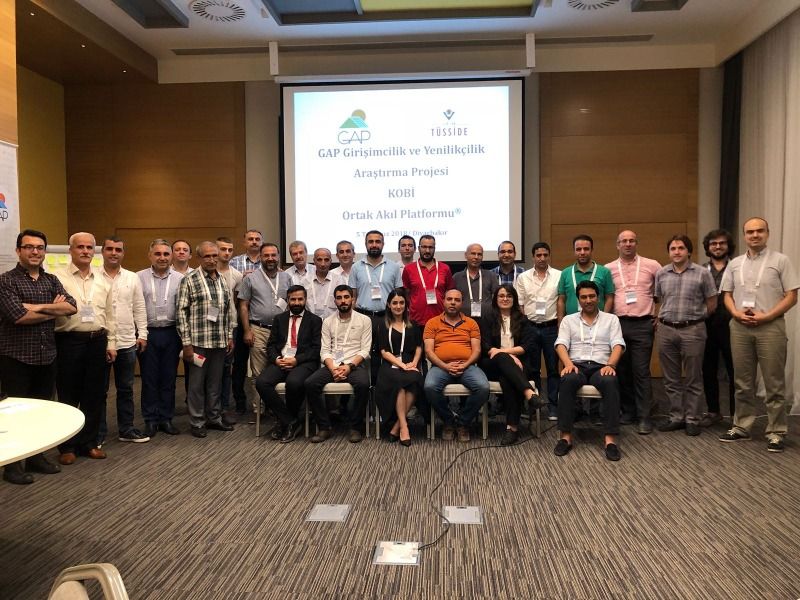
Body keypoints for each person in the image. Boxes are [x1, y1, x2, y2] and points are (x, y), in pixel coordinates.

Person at [0, 229, 76, 485]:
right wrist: (54, 309)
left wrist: (35, 307)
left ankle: (35, 457)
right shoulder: (6, 281)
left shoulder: (51, 280)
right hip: (16, 358)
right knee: (14, 414)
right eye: (29, 247)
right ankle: (12, 465)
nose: (35, 252)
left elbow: (71, 306)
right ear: (18, 250)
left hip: (47, 356)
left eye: (40, 247)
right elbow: (18, 316)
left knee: (41, 411)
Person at [719, 217, 799, 453]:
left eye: (759, 231)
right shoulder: (735, 264)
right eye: (750, 232)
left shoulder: (781, 261)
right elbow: (727, 294)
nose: (755, 235)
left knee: (774, 382)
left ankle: (776, 432)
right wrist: (736, 313)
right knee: (742, 381)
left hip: (770, 326)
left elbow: (792, 295)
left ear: (767, 233)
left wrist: (767, 316)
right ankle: (742, 426)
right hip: (740, 326)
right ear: (744, 235)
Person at [54, 232, 117, 464]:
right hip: (69, 341)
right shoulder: (56, 277)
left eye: (89, 247)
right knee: (68, 395)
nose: (85, 251)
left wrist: (112, 343)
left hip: (97, 341)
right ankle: (67, 446)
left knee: (94, 395)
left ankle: (89, 443)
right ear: (71, 250)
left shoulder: (102, 279)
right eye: (80, 247)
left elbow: (110, 314)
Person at [553, 281, 625, 461]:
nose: (588, 300)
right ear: (578, 299)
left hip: (601, 366)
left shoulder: (611, 319)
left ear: (598, 297)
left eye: (592, 296)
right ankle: (565, 437)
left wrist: (611, 365)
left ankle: (610, 440)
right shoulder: (568, 320)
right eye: (584, 297)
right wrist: (567, 364)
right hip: (576, 364)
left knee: (610, 381)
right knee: (568, 380)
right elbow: (561, 344)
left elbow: (618, 344)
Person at [654, 235, 717, 437]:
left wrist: (697, 317)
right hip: (666, 329)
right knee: (670, 378)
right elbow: (659, 299)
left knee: (693, 377)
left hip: (693, 330)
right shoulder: (662, 273)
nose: (677, 252)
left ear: (689, 251)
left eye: (681, 248)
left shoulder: (702, 273)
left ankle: (692, 419)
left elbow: (712, 302)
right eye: (673, 248)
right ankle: (676, 417)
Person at [177, 241, 235, 438]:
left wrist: (229, 336)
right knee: (196, 385)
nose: (211, 259)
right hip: (198, 343)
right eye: (207, 256)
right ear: (199, 258)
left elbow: (227, 311)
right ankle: (197, 421)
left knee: (214, 384)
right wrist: (186, 344)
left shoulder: (222, 280)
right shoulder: (189, 280)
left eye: (214, 256)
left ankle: (214, 417)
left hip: (218, 342)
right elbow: (181, 314)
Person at [605, 230, 661, 435]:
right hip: (618, 324)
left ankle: (644, 416)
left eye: (631, 241)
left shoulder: (652, 265)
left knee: (641, 371)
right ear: (617, 245)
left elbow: (664, 291)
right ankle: (628, 411)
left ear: (636, 243)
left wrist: (660, 314)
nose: (627, 244)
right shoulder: (608, 268)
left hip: (643, 324)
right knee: (622, 370)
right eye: (624, 241)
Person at [305, 285, 372, 443]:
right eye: (339, 298)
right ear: (334, 301)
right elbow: (324, 350)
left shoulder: (364, 320)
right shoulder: (328, 321)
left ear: (352, 299)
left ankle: (355, 427)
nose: (343, 301)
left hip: (354, 364)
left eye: (346, 297)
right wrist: (333, 368)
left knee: (363, 384)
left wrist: (349, 367)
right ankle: (324, 427)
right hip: (333, 365)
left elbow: (365, 350)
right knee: (310, 383)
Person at [255, 285, 322, 443]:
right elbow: (271, 345)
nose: (297, 302)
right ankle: (290, 421)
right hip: (281, 360)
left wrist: (296, 360)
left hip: (304, 362)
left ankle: (285, 422)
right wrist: (277, 359)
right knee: (262, 382)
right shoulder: (279, 319)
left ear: (305, 300)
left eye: (300, 299)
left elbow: (316, 349)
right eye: (293, 299)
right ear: (287, 300)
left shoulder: (315, 320)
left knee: (294, 382)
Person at [99, 236, 149, 445]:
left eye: (118, 249)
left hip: (127, 341)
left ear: (123, 253)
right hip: (100, 342)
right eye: (110, 249)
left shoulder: (132, 277)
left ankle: (126, 429)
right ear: (102, 251)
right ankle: (98, 434)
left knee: (126, 389)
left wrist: (143, 333)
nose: (114, 253)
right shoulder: (93, 276)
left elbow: (139, 307)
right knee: (99, 391)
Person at [424, 289, 489, 442]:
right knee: (429, 387)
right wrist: (445, 366)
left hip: (467, 366)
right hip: (440, 367)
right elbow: (429, 351)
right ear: (443, 301)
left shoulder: (471, 323)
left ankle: (462, 423)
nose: (453, 302)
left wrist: (465, 365)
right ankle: (448, 421)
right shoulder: (432, 323)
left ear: (462, 303)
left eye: (457, 300)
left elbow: (477, 350)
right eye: (449, 299)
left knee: (483, 387)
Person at [479, 285, 538, 445]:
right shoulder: (488, 318)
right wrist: (507, 356)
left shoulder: (523, 320)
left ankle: (512, 429)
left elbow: (526, 346)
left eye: (509, 296)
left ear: (514, 299)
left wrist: (506, 353)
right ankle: (529, 393)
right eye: (501, 296)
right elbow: (485, 346)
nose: (505, 299)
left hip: (517, 364)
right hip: (491, 364)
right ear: (495, 299)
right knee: (503, 360)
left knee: (508, 380)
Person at [137, 239, 184, 437]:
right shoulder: (138, 277)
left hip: (172, 333)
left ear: (171, 256)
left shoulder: (181, 278)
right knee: (149, 378)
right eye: (158, 254)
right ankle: (150, 419)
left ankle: (166, 418)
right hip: (148, 333)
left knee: (169, 377)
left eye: (166, 254)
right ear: (150, 256)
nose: (162, 257)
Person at [238, 243, 292, 414]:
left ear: (278, 257)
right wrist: (247, 330)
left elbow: (291, 304)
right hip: (259, 329)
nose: (270, 258)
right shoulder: (250, 279)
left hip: (282, 331)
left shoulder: (286, 278)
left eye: (273, 255)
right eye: (266, 255)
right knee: (258, 372)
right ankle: (259, 409)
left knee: (281, 369)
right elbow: (243, 305)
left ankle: (278, 408)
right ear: (260, 257)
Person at [515, 242, 561, 421]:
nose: (542, 258)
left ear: (549, 256)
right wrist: (525, 326)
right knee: (532, 369)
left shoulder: (559, 275)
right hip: (531, 327)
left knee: (553, 369)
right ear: (533, 257)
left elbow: (561, 301)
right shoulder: (523, 277)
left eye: (545, 255)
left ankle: (553, 407)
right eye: (538, 255)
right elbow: (520, 304)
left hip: (551, 328)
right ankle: (534, 406)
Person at [350, 230, 404, 380]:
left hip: (387, 317)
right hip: (363, 316)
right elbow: (353, 296)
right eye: (371, 242)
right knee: (364, 353)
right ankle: (368, 385)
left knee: (388, 352)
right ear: (366, 244)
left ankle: (384, 386)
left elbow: (398, 294)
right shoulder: (356, 267)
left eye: (377, 241)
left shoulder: (393, 267)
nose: (374, 245)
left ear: (383, 244)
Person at [375, 288, 424, 446]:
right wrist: (402, 365)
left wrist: (414, 363)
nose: (398, 306)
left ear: (406, 304)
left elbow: (419, 347)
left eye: (401, 302)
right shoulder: (382, 324)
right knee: (399, 383)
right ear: (388, 305)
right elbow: (384, 352)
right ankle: (403, 426)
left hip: (410, 363)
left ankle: (397, 426)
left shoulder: (413, 324)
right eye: (394, 303)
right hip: (390, 364)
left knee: (415, 380)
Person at [700, 228, 735, 427]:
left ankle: (737, 414)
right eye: (713, 243)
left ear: (728, 246)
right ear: (708, 247)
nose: (718, 246)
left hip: (732, 324)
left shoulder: (737, 267)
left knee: (734, 371)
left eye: (722, 243)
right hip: (706, 325)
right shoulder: (700, 270)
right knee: (708, 369)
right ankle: (713, 411)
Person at [229, 229, 263, 414]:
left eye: (257, 239)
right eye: (250, 239)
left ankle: (265, 402)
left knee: (263, 364)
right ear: (244, 242)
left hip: (260, 319)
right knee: (240, 363)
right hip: (240, 318)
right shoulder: (234, 262)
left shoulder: (268, 260)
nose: (254, 242)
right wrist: (243, 277)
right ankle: (240, 400)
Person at [402, 235, 454, 336]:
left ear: (434, 249)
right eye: (424, 247)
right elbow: (406, 294)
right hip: (416, 321)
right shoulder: (409, 269)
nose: (427, 250)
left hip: (440, 320)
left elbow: (449, 292)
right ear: (419, 248)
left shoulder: (445, 268)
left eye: (430, 247)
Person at [557, 234, 615, 320]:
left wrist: (604, 319)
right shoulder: (565, 273)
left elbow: (609, 298)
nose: (582, 252)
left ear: (592, 250)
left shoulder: (604, 272)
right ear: (574, 251)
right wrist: (560, 322)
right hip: (572, 322)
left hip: (597, 321)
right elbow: (561, 300)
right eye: (578, 249)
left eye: (586, 249)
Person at [216, 236, 243, 421]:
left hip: (229, 326)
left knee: (226, 368)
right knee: (208, 368)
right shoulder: (205, 273)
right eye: (223, 249)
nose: (226, 253)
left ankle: (223, 407)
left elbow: (237, 302)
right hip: (208, 327)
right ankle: (209, 407)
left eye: (230, 250)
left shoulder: (237, 275)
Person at [453, 243, 498, 323]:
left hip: (488, 322)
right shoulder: (457, 277)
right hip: (463, 322)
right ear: (466, 255)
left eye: (479, 254)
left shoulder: (491, 275)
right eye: (473, 254)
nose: (476, 257)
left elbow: (497, 298)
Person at [308, 248, 345, 319]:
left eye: (326, 260)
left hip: (333, 321)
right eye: (319, 260)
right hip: (310, 322)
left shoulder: (339, 280)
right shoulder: (305, 281)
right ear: (314, 261)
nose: (323, 264)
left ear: (331, 261)